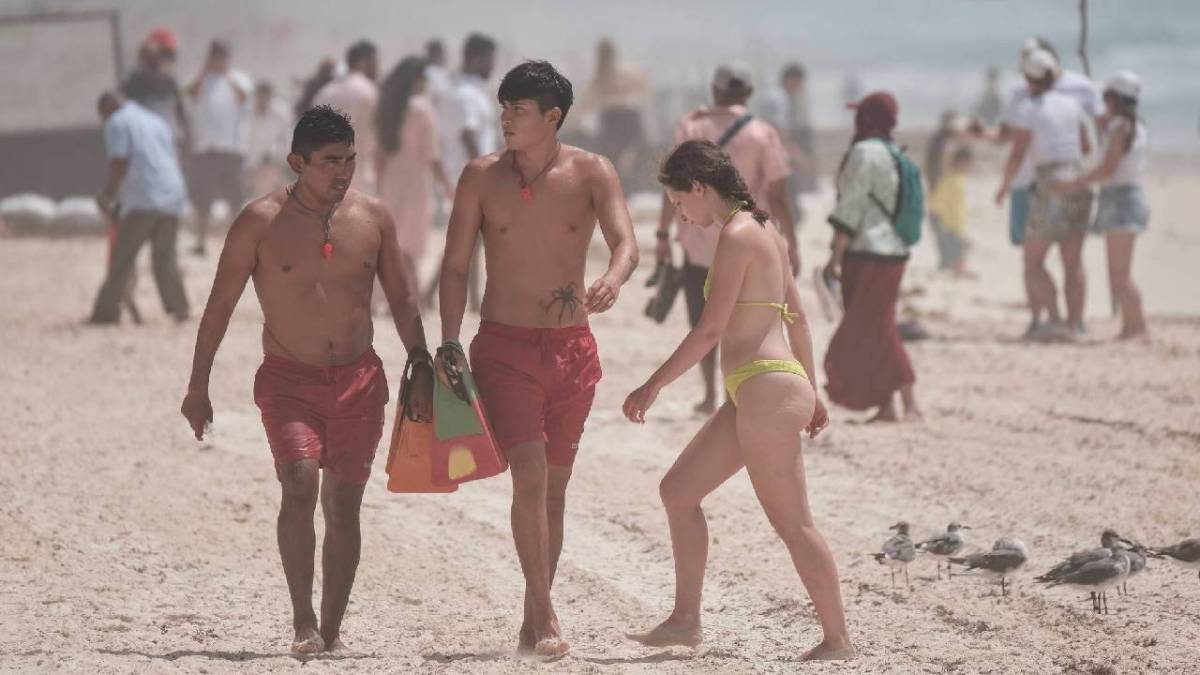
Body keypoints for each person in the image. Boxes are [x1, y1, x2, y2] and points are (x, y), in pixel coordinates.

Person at [179, 106, 433, 654]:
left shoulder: (373, 219)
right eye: (329, 162)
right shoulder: (259, 221)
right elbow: (220, 306)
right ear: (297, 162)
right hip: (288, 380)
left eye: (350, 160)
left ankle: (332, 630)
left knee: (343, 506)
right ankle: (302, 620)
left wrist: (424, 365)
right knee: (298, 485)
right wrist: (198, 386)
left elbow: (404, 300)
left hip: (359, 381)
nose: (342, 173)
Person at [437, 60, 638, 657]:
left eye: (517, 110)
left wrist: (614, 278)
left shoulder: (592, 172)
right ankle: (548, 616)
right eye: (503, 108)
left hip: (572, 349)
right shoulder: (479, 177)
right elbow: (454, 265)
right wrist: (449, 341)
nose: (505, 119)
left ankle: (532, 621)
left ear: (552, 117)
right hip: (504, 346)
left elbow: (626, 243)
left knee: (554, 488)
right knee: (526, 473)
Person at [622, 139, 852, 661]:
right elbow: (797, 317)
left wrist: (652, 385)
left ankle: (838, 641)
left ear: (699, 187)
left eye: (681, 203)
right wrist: (811, 390)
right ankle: (684, 621)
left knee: (793, 522)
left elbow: (709, 332)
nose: (681, 215)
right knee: (678, 491)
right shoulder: (769, 232)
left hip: (766, 388)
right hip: (764, 387)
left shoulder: (740, 235)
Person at [657, 63, 798, 414]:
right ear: (748, 94)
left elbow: (671, 186)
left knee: (701, 318)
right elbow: (779, 193)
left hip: (697, 242)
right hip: (752, 241)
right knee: (748, 318)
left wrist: (662, 233)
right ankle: (737, 389)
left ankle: (709, 394)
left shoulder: (691, 125)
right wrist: (788, 239)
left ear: (715, 89)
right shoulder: (763, 132)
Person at [973, 38, 1102, 336]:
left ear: (1028, 78)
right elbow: (1085, 146)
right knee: (1073, 260)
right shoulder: (1072, 104)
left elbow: (1018, 153)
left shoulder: (1028, 108)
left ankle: (1054, 320)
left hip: (1050, 181)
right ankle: (1076, 324)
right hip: (1078, 180)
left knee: (1033, 260)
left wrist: (1004, 187)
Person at [821, 92, 920, 422]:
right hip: (893, 252)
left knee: (872, 329)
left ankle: (908, 400)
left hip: (866, 253)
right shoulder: (894, 153)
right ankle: (889, 404)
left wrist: (835, 255)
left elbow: (851, 205)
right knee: (877, 327)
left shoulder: (864, 152)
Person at [1052, 70, 1148, 340]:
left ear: (1113, 98)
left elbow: (1107, 168)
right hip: (1122, 197)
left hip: (1120, 199)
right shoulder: (1134, 126)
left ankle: (1137, 327)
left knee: (1120, 274)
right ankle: (1131, 326)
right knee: (1118, 273)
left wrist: (1073, 182)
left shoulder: (1121, 128)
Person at [88, 91, 189, 324]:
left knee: (123, 257)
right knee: (165, 257)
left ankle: (106, 312)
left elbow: (119, 161)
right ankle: (179, 308)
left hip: (144, 197)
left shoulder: (117, 121)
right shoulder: (155, 120)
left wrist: (107, 195)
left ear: (107, 108)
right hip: (172, 192)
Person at [423, 33, 498, 310]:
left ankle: (467, 299)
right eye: (489, 60)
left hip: (472, 174)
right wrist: (487, 172)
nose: (492, 66)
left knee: (470, 239)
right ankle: (458, 299)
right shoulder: (463, 94)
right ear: (474, 58)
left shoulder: (470, 90)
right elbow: (468, 135)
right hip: (471, 176)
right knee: (467, 240)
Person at [376, 57, 453, 291]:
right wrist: (448, 186)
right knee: (411, 243)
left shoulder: (388, 107)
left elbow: (379, 153)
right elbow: (433, 155)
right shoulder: (422, 109)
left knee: (392, 240)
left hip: (390, 179)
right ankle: (410, 293)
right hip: (416, 183)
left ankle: (390, 294)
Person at [186, 39, 253, 256]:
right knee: (202, 199)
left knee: (235, 198)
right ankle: (201, 241)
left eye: (223, 56)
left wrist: (227, 75)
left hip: (231, 149)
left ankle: (237, 242)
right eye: (216, 56)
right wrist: (205, 70)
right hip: (205, 148)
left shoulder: (239, 79)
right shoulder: (201, 79)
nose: (219, 60)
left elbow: (244, 99)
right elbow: (190, 94)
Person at [576, 38, 650, 187]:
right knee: (610, 169)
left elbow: (643, 89)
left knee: (625, 168)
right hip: (611, 125)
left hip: (624, 122)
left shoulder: (624, 73)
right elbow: (586, 104)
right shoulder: (601, 77)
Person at [315, 40, 380, 194]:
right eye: (375, 62)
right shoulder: (368, 91)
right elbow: (373, 138)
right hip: (357, 176)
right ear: (365, 62)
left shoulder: (326, 92)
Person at [760, 62, 818, 221]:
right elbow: (778, 132)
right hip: (774, 161)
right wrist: (800, 158)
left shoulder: (772, 95)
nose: (799, 89)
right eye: (799, 84)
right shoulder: (780, 98)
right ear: (792, 80)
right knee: (790, 215)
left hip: (764, 158)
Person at [122, 30, 190, 151]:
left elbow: (181, 111)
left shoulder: (169, 81)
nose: (168, 61)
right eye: (165, 55)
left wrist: (187, 136)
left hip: (168, 141)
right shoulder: (134, 82)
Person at [241, 81, 293, 199]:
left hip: (273, 159)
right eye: (260, 96)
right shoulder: (247, 110)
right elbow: (244, 137)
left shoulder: (281, 111)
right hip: (251, 162)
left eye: (266, 96)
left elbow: (286, 136)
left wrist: (280, 157)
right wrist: (249, 164)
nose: (263, 100)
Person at [928, 146, 973, 275]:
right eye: (966, 163)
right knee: (955, 253)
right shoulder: (949, 179)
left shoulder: (959, 179)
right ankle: (956, 271)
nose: (968, 167)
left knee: (955, 252)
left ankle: (953, 270)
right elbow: (936, 203)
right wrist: (940, 222)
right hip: (948, 224)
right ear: (958, 162)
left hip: (957, 224)